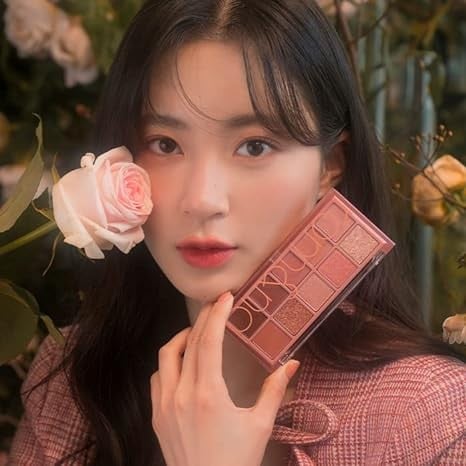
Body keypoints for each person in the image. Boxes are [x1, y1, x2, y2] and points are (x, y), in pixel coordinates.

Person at [8, 0, 466, 465]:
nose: (203, 199)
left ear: (330, 165)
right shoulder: (73, 381)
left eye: (255, 146)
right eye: (165, 144)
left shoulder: (427, 414)